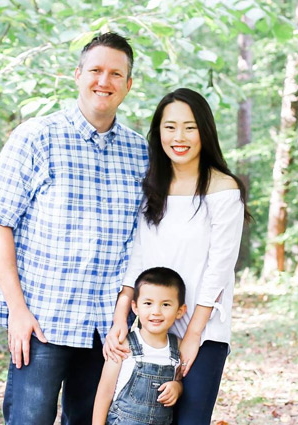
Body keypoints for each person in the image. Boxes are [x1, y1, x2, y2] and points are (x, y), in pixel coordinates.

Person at [0, 32, 148, 425]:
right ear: (77, 75)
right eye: (95, 70)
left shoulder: (141, 153)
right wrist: (17, 312)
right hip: (42, 322)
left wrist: (127, 317)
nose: (103, 81)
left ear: (128, 84)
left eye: (115, 73)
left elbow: (143, 240)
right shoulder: (36, 136)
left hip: (107, 330)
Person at [104, 88, 251, 425]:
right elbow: (138, 255)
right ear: (158, 134)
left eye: (190, 127)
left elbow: (219, 267)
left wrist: (192, 336)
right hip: (153, 328)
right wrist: (120, 317)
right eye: (170, 127)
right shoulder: (152, 187)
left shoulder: (224, 189)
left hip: (203, 331)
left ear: (205, 131)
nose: (179, 137)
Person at [93, 267, 187, 425]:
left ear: (180, 311)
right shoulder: (123, 344)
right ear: (135, 307)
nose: (156, 311)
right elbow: (105, 391)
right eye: (148, 303)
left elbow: (180, 380)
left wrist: (177, 388)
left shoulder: (178, 347)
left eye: (165, 305)